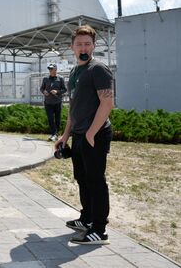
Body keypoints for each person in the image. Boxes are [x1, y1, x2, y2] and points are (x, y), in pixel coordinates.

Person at [56, 25, 115, 245]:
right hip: (80, 134)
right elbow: (74, 108)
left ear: (94, 46)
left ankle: (99, 230)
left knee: (96, 181)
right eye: (79, 44)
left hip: (95, 135)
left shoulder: (97, 69)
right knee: (82, 179)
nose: (83, 47)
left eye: (87, 44)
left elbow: (107, 103)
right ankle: (87, 217)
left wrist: (91, 132)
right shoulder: (74, 72)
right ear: (72, 47)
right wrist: (65, 136)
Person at [40, 63, 67, 141]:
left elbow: (65, 89)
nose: (50, 70)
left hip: (58, 102)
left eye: (52, 69)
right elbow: (41, 88)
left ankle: (56, 134)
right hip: (48, 103)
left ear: (55, 70)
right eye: (49, 69)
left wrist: (57, 91)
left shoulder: (60, 78)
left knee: (57, 119)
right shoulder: (45, 79)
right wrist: (44, 92)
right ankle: (53, 134)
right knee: (50, 119)